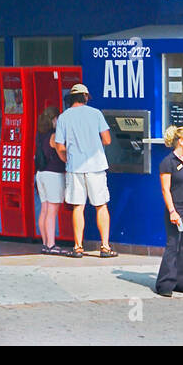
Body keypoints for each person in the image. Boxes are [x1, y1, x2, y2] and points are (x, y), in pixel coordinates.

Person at [53, 82, 116, 257]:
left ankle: (78, 247)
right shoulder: (96, 114)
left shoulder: (64, 117)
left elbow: (59, 146)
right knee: (101, 205)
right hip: (96, 166)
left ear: (71, 98)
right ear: (86, 97)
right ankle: (105, 246)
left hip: (74, 167)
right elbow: (107, 139)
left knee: (78, 207)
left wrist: (67, 159)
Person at [155, 125, 183, 297]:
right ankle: (165, 282)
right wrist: (172, 211)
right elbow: (165, 189)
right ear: (180, 141)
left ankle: (182, 280)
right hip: (178, 208)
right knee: (173, 244)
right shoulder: (168, 163)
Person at [34, 106, 66, 255]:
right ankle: (52, 244)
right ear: (54, 119)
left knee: (45, 209)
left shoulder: (40, 134)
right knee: (52, 210)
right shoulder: (53, 136)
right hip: (53, 174)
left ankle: (45, 243)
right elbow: (61, 154)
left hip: (40, 174)